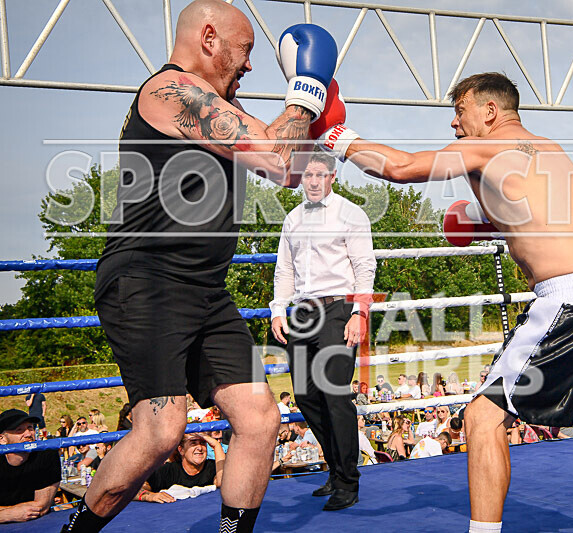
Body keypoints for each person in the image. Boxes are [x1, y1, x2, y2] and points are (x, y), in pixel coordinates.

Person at [316, 71, 573, 532]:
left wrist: (335, 136)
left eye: (459, 110)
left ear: (489, 111)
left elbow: (400, 168)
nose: (453, 123)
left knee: (482, 417)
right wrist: (478, 218)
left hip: (570, 303)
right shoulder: (550, 151)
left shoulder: (486, 147)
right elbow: (533, 221)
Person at [63, 1, 338, 530]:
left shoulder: (215, 103)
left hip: (206, 289)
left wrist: (316, 112)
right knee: (161, 430)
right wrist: (307, 90)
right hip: (148, 281)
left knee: (260, 418)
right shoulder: (170, 93)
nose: (251, 65)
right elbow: (273, 152)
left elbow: (286, 169)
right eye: (246, 49)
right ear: (209, 37)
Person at [269, 150, 376, 512]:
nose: (313, 181)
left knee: (334, 395)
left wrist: (359, 313)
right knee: (306, 397)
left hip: (337, 310)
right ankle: (334, 469)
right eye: (307, 175)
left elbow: (365, 267)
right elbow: (284, 271)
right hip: (301, 313)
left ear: (332, 177)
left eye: (320, 175)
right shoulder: (292, 219)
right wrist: (278, 311)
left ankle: (348, 480)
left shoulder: (350, 213)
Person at [0, 409, 60, 524]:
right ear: (2, 439)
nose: (28, 434)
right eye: (19, 430)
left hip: (38, 524)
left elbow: (40, 507)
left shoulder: (47, 453)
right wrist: (8, 515)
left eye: (30, 428)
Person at [135, 433, 225, 503]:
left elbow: (222, 482)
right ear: (181, 450)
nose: (200, 448)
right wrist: (149, 496)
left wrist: (216, 445)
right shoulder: (168, 471)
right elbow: (132, 489)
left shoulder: (212, 468)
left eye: (202, 443)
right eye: (193, 443)